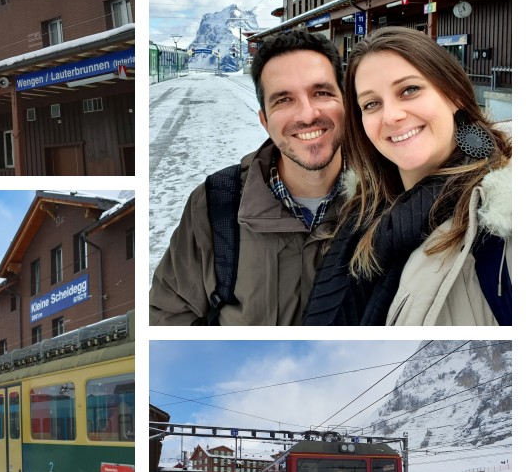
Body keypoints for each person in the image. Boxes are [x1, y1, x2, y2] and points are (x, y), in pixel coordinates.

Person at [303, 26, 511, 326]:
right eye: (371, 104)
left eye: (409, 90)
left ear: (454, 94)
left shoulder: (505, 220)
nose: (391, 116)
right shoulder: (359, 212)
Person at [149, 29, 346, 325]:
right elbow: (167, 315)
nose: (307, 114)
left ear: (346, 103)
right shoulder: (215, 205)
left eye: (321, 92)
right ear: (265, 121)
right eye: (284, 100)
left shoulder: (392, 197)